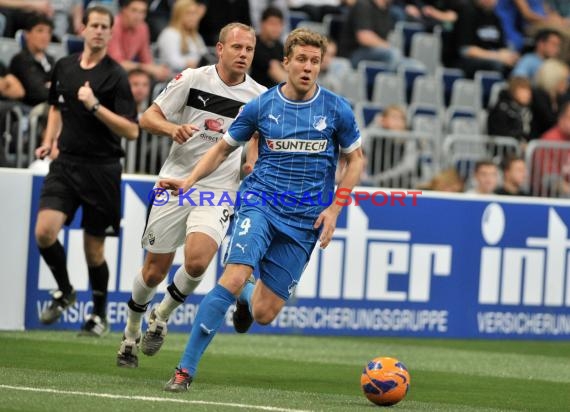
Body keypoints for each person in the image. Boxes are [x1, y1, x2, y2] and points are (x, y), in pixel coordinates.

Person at [157, 28, 363, 392]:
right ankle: (184, 370)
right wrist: (189, 182)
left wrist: (335, 209)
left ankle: (249, 295)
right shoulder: (262, 105)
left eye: (314, 61)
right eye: (301, 59)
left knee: (265, 314)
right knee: (232, 275)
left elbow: (355, 159)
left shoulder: (336, 109)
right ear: (286, 62)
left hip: (305, 219)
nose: (307, 67)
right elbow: (222, 148)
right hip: (260, 202)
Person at [115, 22, 266, 368]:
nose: (243, 54)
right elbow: (148, 118)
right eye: (237, 47)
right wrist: (173, 127)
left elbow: (257, 138)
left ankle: (161, 317)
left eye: (249, 49)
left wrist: (252, 163)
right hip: (174, 183)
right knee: (153, 272)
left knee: (198, 260)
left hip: (218, 189)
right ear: (220, 48)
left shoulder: (259, 96)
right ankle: (130, 334)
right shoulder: (192, 79)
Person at [34, 5, 139, 336]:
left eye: (103, 26)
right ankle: (65, 291)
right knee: (44, 232)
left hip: (102, 169)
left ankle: (98, 315)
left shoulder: (116, 75)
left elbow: (132, 131)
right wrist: (49, 141)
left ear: (110, 32)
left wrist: (95, 106)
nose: (97, 30)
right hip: (65, 163)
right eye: (92, 25)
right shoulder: (64, 66)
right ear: (83, 29)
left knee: (94, 251)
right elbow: (55, 108)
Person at [108, 0, 172, 82]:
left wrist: (158, 71)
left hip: (125, 74)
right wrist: (147, 68)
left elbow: (146, 59)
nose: (138, 16)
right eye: (134, 10)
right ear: (124, 10)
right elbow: (117, 64)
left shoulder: (143, 27)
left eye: (143, 12)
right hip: (108, 73)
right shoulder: (113, 25)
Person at [156, 0, 209, 73]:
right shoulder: (170, 34)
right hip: (173, 79)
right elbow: (173, 62)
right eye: (189, 13)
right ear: (179, 14)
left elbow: (205, 56)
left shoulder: (196, 36)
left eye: (195, 13)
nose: (194, 17)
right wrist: (191, 63)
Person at [487, 76, 533, 144]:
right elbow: (500, 134)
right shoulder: (500, 110)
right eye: (523, 89)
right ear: (513, 91)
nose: (528, 94)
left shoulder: (527, 111)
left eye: (529, 90)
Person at [250, 6, 287, 88]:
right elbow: (274, 70)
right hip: (256, 93)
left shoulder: (280, 46)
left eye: (279, 24)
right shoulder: (253, 43)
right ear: (262, 24)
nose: (275, 28)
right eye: (272, 24)